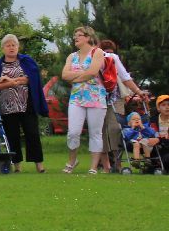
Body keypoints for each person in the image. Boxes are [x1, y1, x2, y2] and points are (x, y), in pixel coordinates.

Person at [0, 35, 48, 173]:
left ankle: (39, 164)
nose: (11, 47)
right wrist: (13, 82)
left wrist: (10, 81)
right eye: (8, 45)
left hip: (27, 103)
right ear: (3, 48)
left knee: (32, 133)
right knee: (12, 135)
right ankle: (17, 165)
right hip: (6, 106)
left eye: (14, 45)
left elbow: (31, 79)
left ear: (18, 47)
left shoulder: (27, 61)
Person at [61, 26, 109, 174]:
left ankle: (93, 167)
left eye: (79, 35)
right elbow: (64, 75)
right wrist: (83, 74)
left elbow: (93, 72)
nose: (76, 37)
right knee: (73, 132)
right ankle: (72, 160)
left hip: (96, 97)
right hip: (76, 98)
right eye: (75, 35)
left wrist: (75, 77)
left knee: (95, 133)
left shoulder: (97, 52)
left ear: (88, 37)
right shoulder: (72, 56)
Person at [97, 39, 147, 171]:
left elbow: (125, 78)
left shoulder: (113, 59)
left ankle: (117, 163)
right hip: (96, 99)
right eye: (105, 51)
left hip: (115, 98)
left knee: (115, 129)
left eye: (110, 51)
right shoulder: (92, 58)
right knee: (99, 131)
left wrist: (138, 91)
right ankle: (106, 165)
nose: (107, 53)